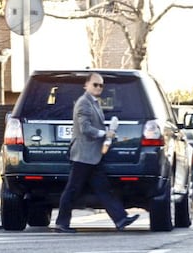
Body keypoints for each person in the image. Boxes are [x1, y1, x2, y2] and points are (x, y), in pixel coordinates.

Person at [54, 72, 139, 233]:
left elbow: (95, 126)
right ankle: (61, 223)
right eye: (95, 84)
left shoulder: (94, 102)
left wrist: (107, 131)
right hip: (83, 155)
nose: (99, 87)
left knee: (104, 189)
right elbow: (85, 129)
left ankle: (121, 219)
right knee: (72, 190)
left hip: (93, 156)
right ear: (86, 85)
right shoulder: (83, 103)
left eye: (101, 85)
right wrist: (104, 134)